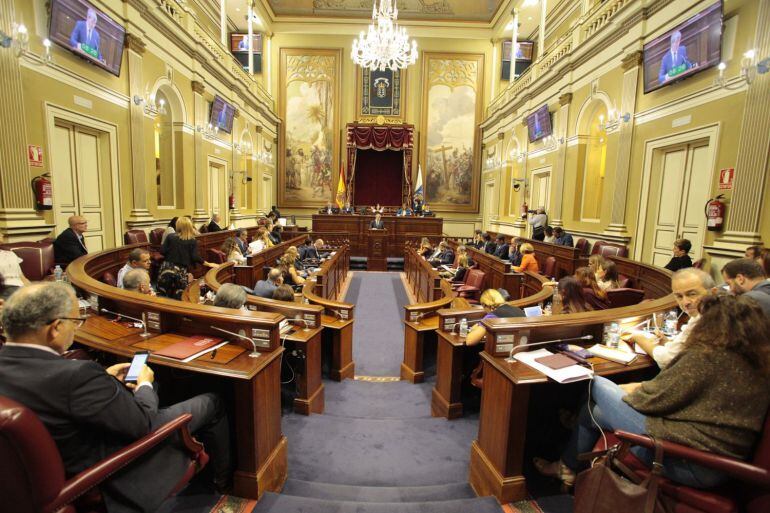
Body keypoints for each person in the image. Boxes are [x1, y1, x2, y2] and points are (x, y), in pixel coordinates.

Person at [0, 283, 233, 511]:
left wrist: (103, 378)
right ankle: (222, 486)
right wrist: (144, 384)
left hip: (39, 475)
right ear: (56, 328)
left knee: (160, 387)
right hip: (108, 473)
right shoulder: (77, 375)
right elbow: (142, 424)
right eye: (76, 321)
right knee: (212, 401)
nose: (77, 329)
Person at [536, 294, 770, 489]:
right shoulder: (758, 362)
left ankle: (566, 456)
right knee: (594, 413)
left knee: (594, 382)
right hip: (719, 464)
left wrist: (625, 391)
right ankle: (566, 466)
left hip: (687, 459)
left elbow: (652, 401)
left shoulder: (707, 357)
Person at [627, 268, 717, 368]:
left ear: (713, 292)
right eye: (679, 296)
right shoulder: (702, 313)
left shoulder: (708, 319)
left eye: (692, 294)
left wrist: (638, 338)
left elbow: (667, 360)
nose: (685, 302)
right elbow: (683, 348)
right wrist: (667, 342)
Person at [158, 217, 216, 299]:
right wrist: (208, 263)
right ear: (190, 226)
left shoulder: (170, 237)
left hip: (166, 268)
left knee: (163, 294)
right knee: (179, 295)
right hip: (179, 271)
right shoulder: (192, 240)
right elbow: (195, 257)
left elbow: (162, 251)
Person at [0, 232, 30, 299]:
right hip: (5, 289)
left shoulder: (10, 254)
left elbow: (22, 277)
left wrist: (33, 289)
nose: (2, 234)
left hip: (19, 288)